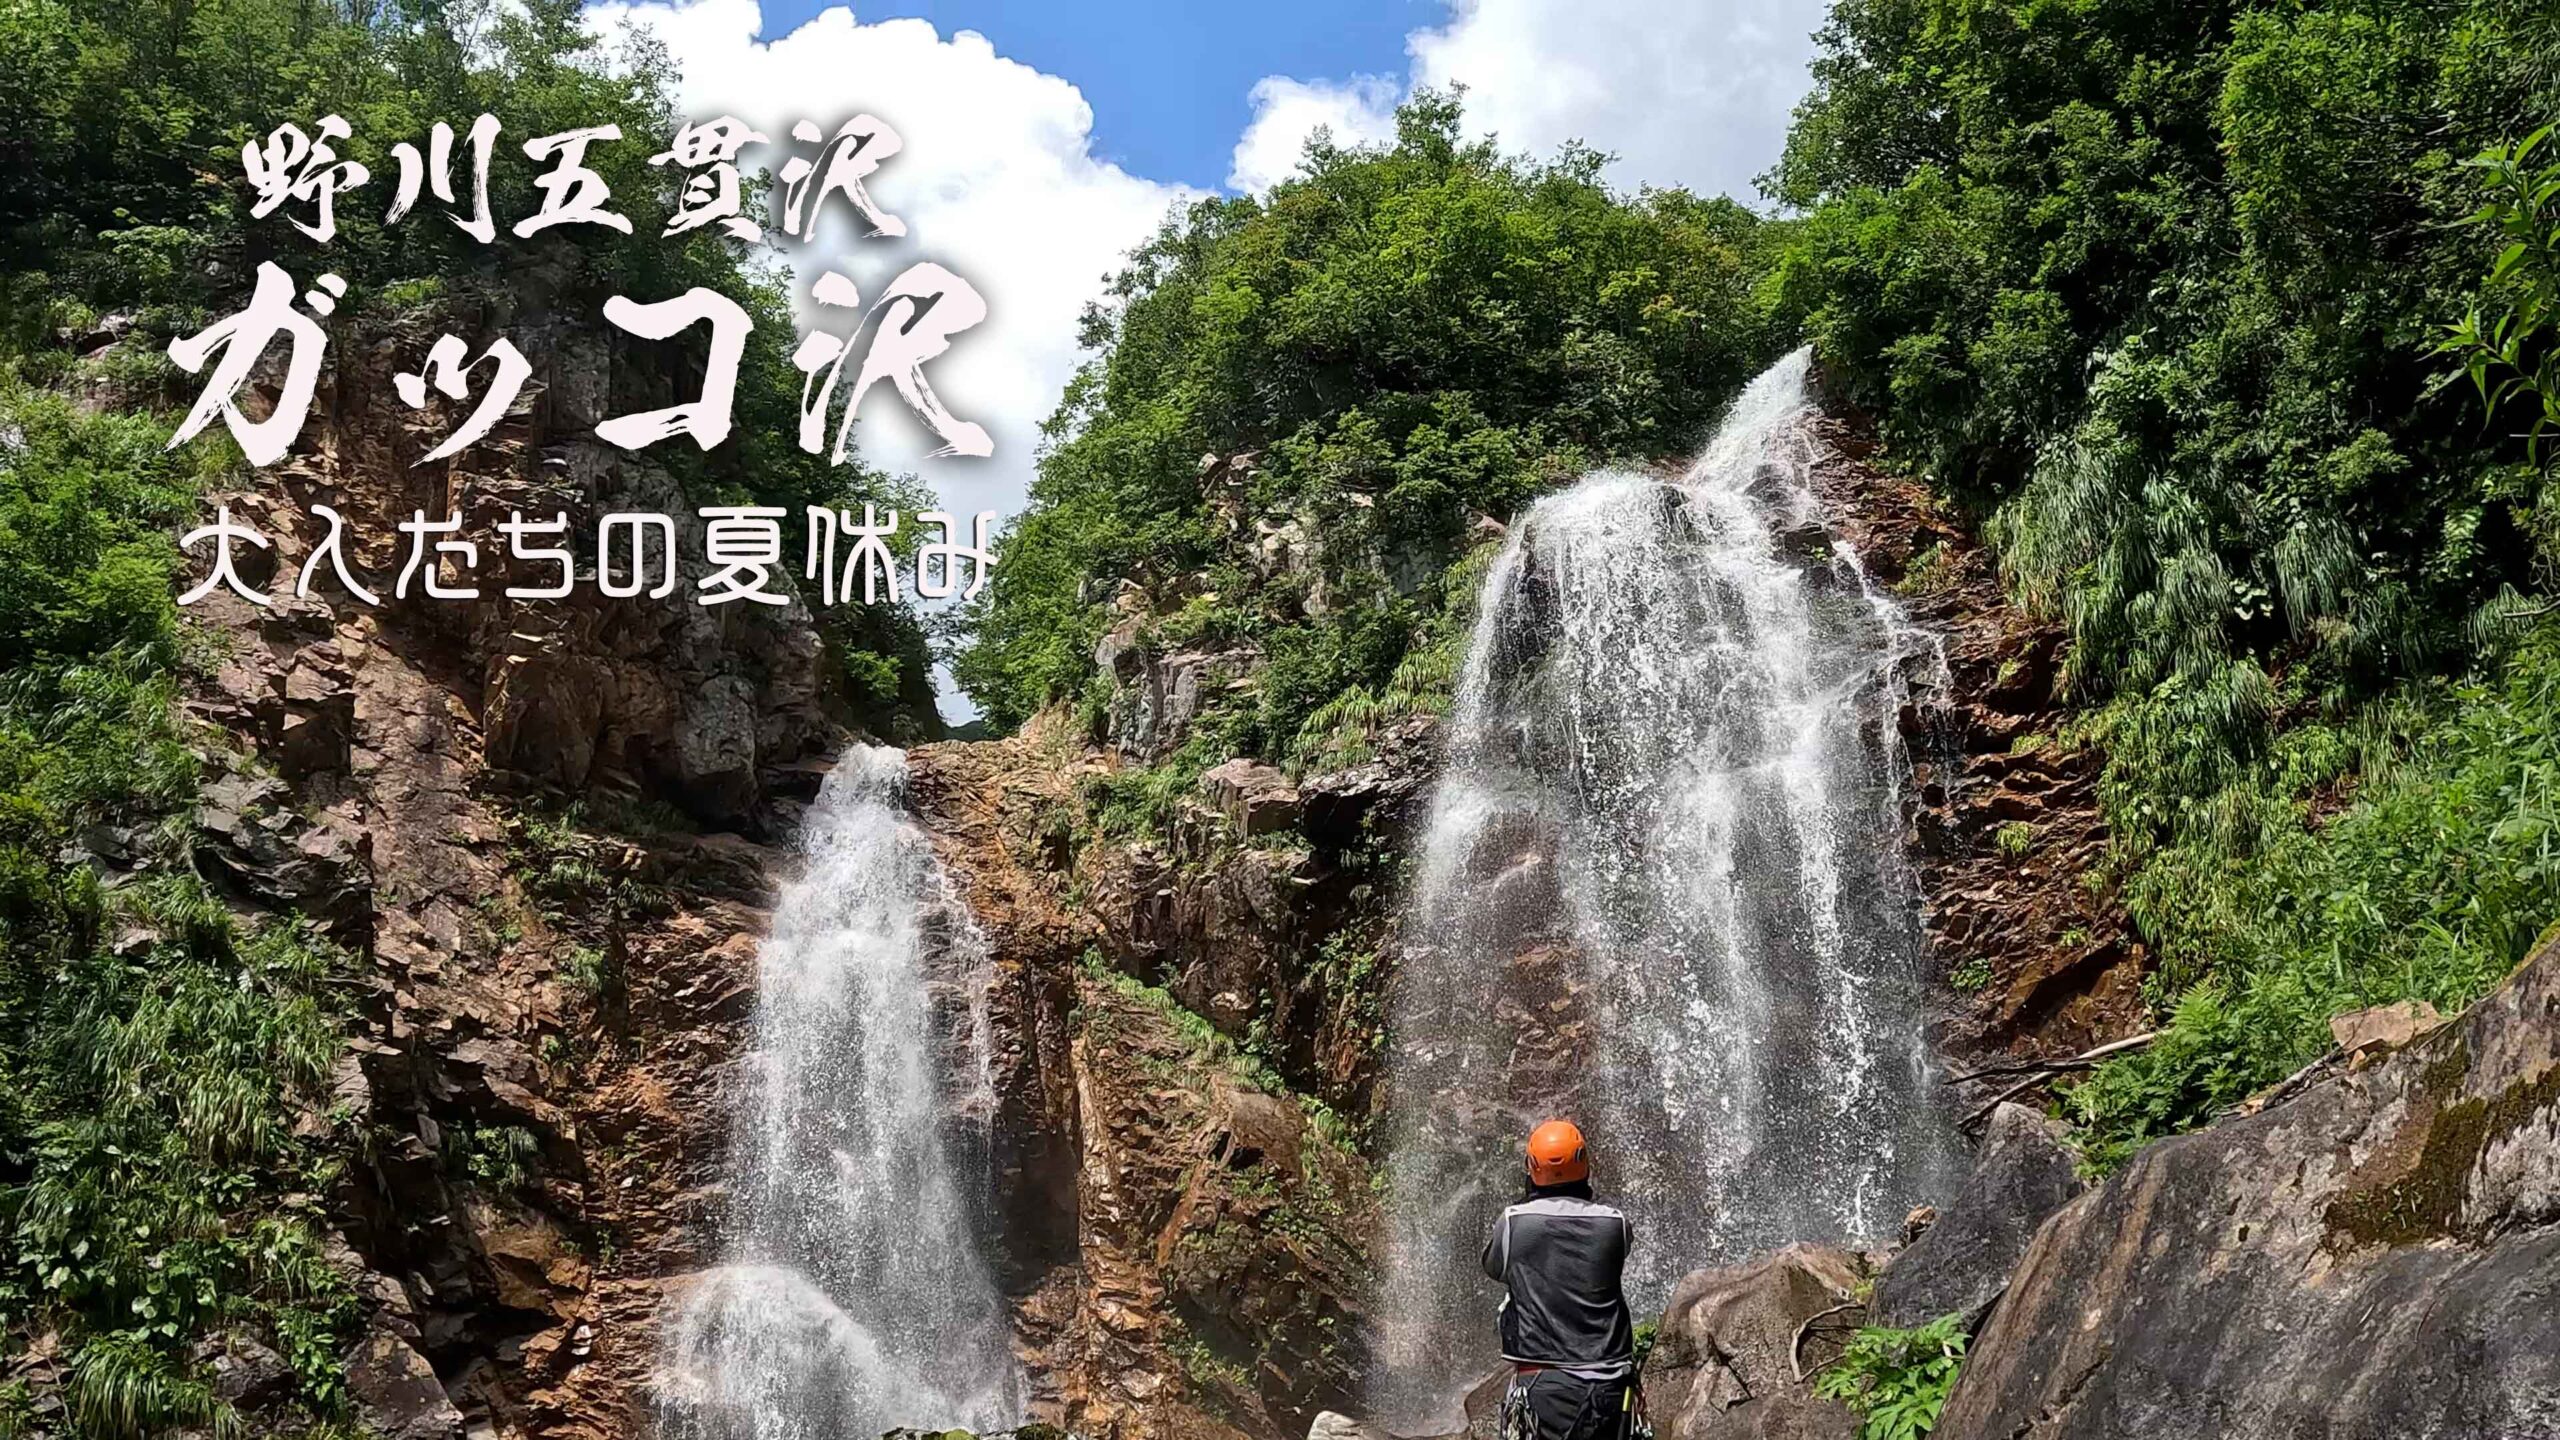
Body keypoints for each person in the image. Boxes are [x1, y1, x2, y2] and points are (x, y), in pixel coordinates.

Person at [1481, 1119, 1645, 1440]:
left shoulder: (1514, 1221)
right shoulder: (1615, 1223)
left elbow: (1495, 1268)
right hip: (1611, 1387)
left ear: (1531, 1167)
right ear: (1584, 1164)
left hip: (1544, 1383)